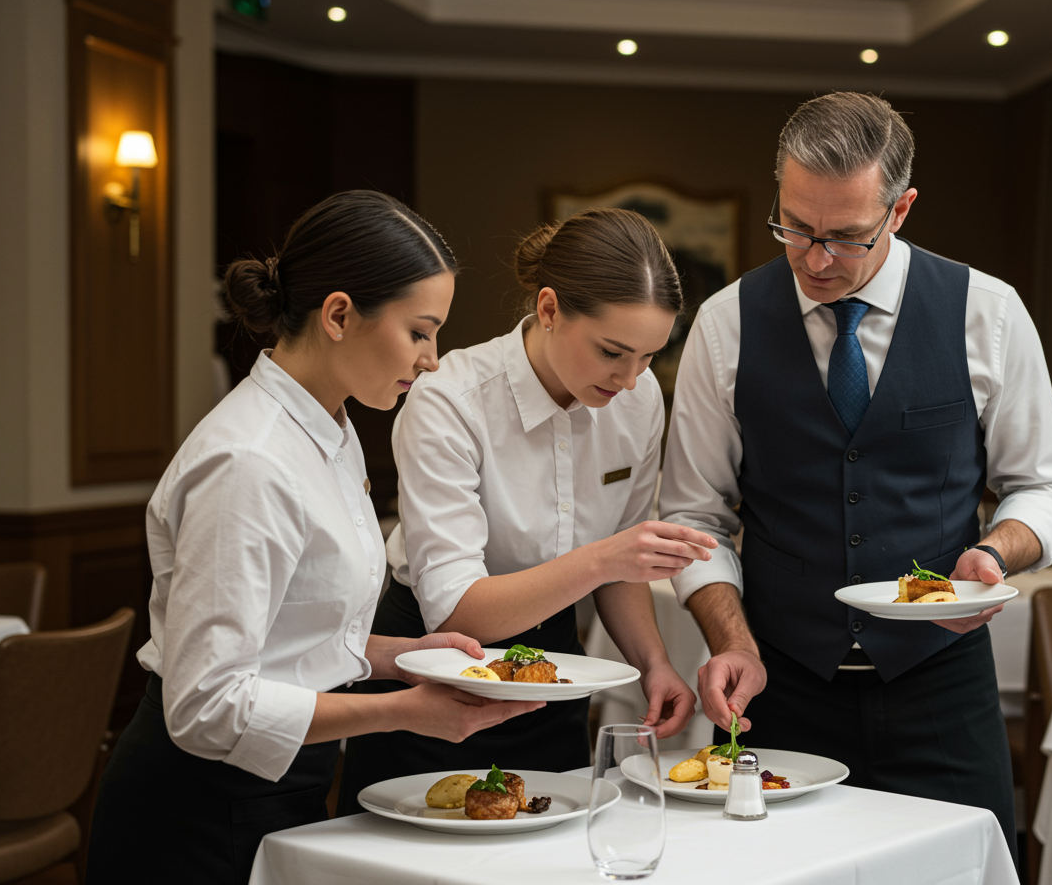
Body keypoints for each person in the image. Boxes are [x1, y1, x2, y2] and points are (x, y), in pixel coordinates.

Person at [659, 93, 1052, 856]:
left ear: (901, 208)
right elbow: (696, 515)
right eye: (795, 228)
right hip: (780, 688)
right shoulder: (727, 323)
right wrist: (734, 640)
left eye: (846, 237)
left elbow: (1045, 485)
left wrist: (996, 554)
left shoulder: (988, 312)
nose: (815, 259)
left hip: (942, 688)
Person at [86, 191, 544, 885]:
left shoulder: (332, 429)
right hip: (196, 808)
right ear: (338, 315)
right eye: (420, 331)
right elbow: (206, 704)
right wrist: (401, 712)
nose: (432, 359)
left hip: (283, 784)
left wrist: (403, 656)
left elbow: (288, 633)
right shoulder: (249, 461)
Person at [338, 208, 713, 814]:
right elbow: (459, 608)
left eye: (649, 357)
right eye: (613, 351)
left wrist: (654, 663)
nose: (630, 378)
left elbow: (622, 567)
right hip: (432, 673)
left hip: (553, 675)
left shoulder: (639, 401)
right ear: (548, 309)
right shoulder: (449, 401)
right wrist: (604, 559)